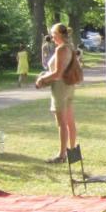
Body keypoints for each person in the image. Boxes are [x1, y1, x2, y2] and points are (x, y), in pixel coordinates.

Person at [35, 22, 80, 163]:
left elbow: (57, 73)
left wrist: (41, 79)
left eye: (53, 34)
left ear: (60, 34)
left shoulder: (61, 49)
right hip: (69, 86)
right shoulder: (70, 47)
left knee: (62, 123)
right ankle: (72, 151)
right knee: (70, 122)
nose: (52, 37)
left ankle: (62, 155)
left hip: (60, 87)